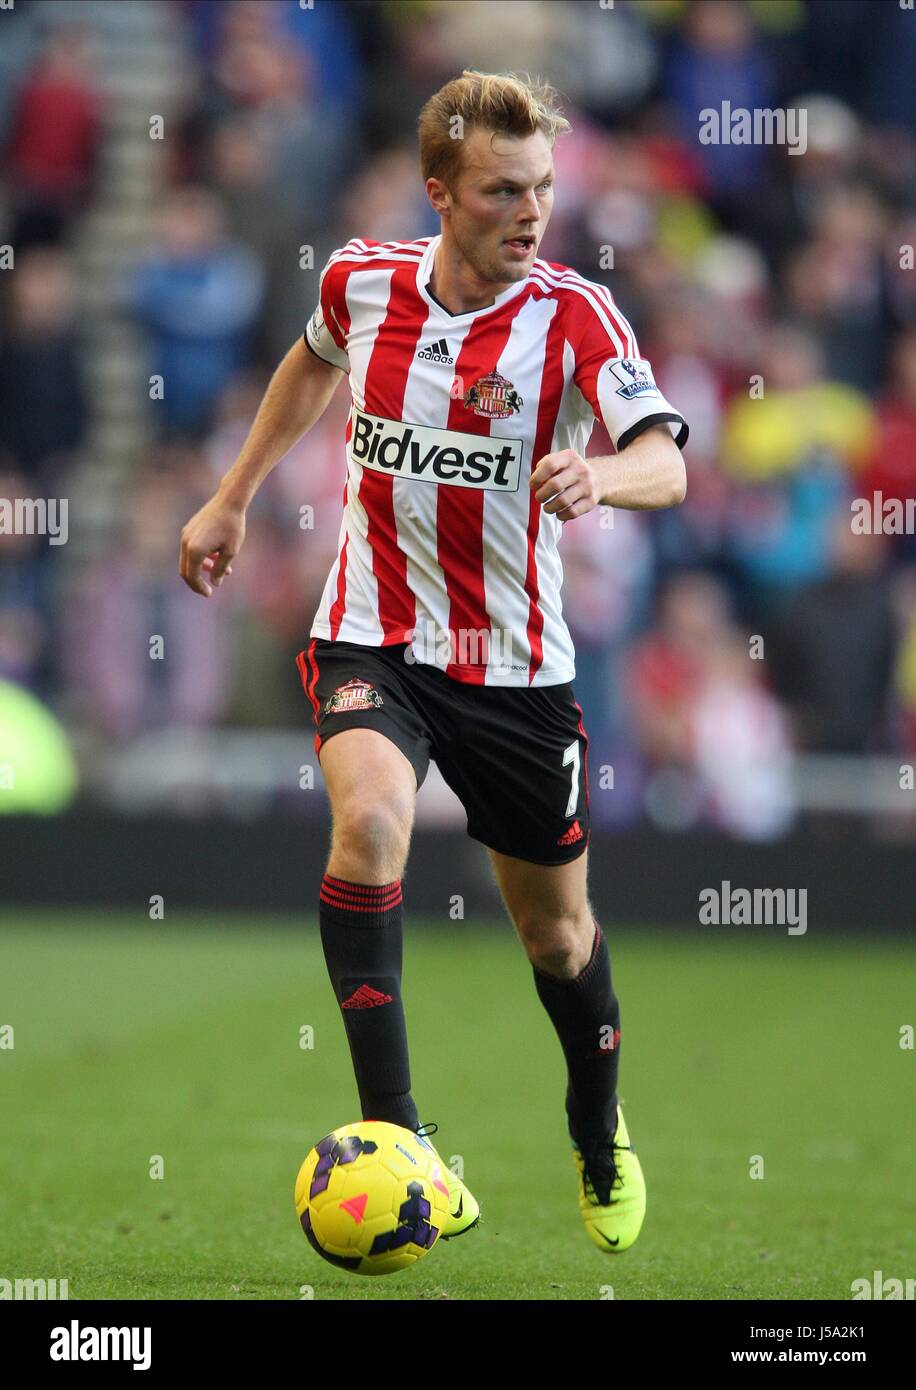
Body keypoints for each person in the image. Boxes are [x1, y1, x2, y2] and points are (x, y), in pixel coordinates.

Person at [179, 70, 688, 1255]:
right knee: (366, 831)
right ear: (441, 193)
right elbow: (308, 362)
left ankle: (596, 1122)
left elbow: (665, 460)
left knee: (556, 935)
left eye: (545, 189)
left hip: (515, 668)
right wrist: (231, 495)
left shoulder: (574, 316)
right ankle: (400, 1140)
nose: (531, 212)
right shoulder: (361, 280)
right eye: (504, 190)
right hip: (374, 633)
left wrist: (597, 475)